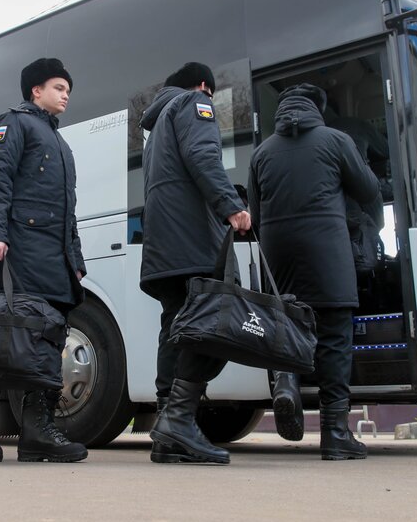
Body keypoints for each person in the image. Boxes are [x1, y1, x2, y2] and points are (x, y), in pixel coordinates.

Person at [248, 83, 378, 460]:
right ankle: (335, 433)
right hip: (326, 247)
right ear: (317, 110)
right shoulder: (335, 140)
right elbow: (368, 189)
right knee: (335, 335)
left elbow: (255, 212)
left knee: (289, 325)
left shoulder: (261, 153)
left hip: (278, 251)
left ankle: (287, 383)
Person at [139, 62, 251, 465]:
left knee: (176, 329)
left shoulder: (157, 127)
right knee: (211, 328)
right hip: (192, 243)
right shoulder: (194, 104)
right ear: (204, 85)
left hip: (165, 248)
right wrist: (231, 205)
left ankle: (170, 429)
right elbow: (204, 156)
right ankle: (179, 421)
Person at [0, 57, 88, 463]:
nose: (65, 96)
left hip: (54, 259)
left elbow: (68, 210)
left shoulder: (62, 143)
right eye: (59, 87)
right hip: (18, 252)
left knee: (49, 338)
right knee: (1, 338)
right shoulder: (13, 123)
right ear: (35, 90)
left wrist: (75, 259)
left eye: (68, 91)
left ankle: (38, 432)